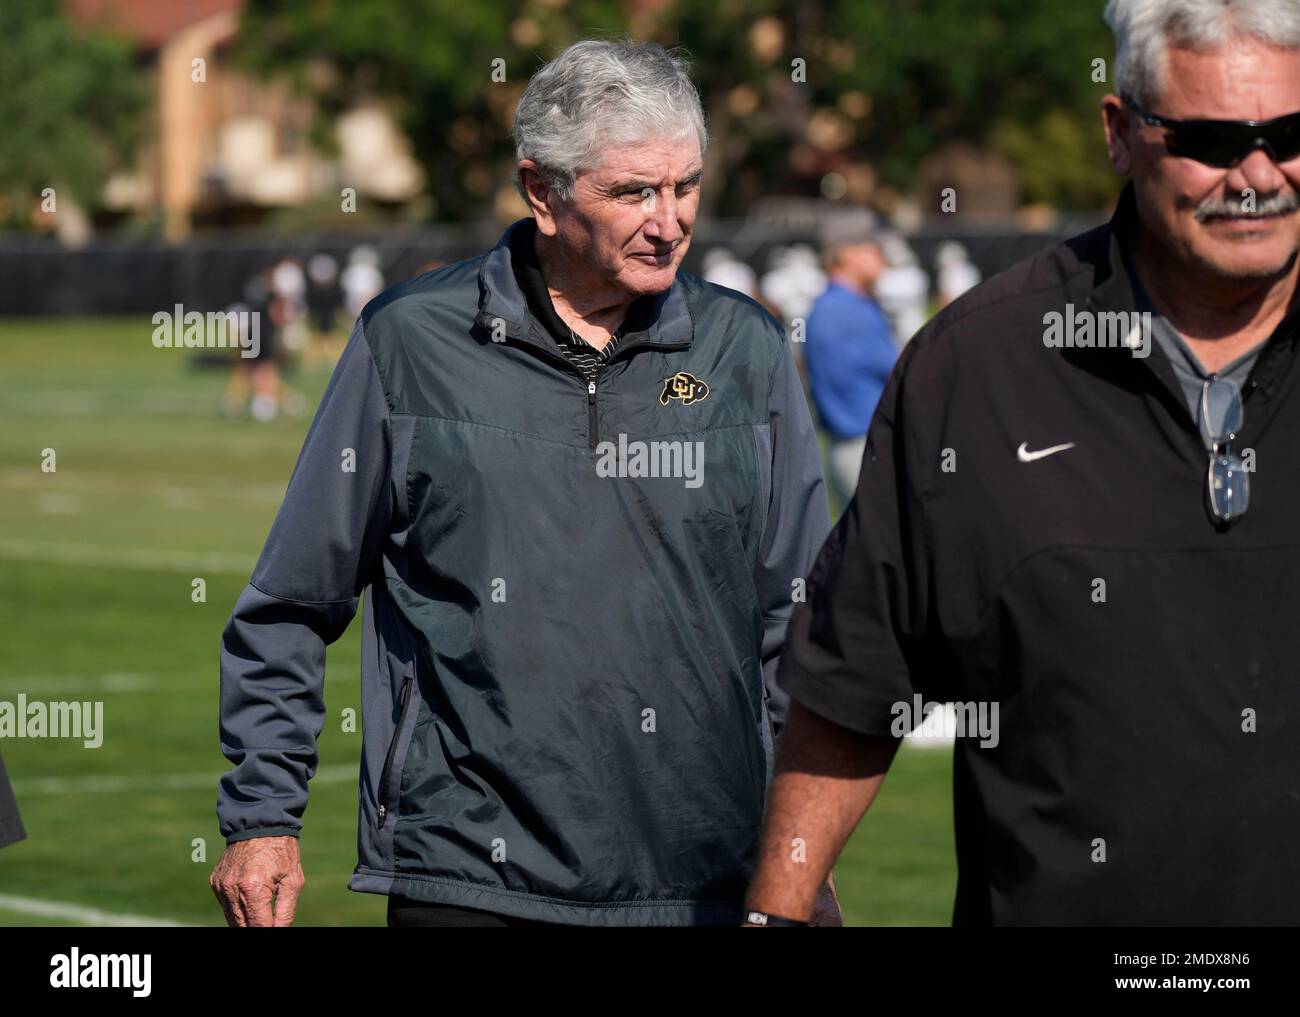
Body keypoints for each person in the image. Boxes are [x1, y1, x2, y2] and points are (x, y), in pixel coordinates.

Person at [211, 39, 834, 928]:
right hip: (467, 874)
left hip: (702, 880)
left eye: (686, 186)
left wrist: (800, 852)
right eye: (633, 192)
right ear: (542, 191)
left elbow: (801, 623)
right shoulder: (410, 344)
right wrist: (263, 818)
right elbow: (290, 601)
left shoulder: (750, 352)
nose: (669, 221)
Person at [745, 0, 1300, 927]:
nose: (1256, 175)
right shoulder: (979, 365)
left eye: (1288, 135)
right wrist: (776, 913)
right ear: (1120, 132)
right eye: (1210, 139)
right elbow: (854, 684)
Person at [803, 221, 899, 511]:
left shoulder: (833, 305)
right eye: (874, 249)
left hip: (850, 448)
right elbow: (902, 374)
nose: (882, 257)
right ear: (848, 254)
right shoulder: (845, 309)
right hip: (864, 447)